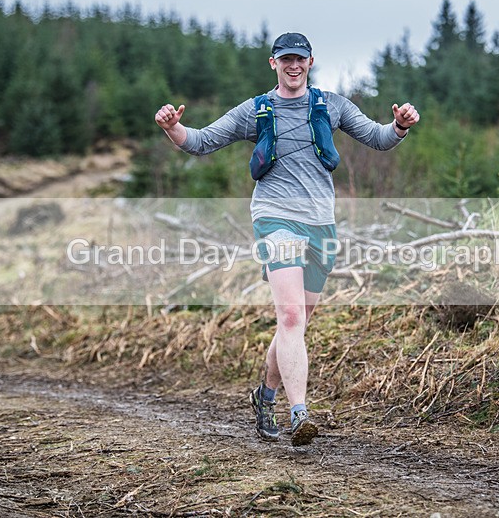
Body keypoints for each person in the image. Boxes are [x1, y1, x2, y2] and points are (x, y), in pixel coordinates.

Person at [155, 32, 419, 446]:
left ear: (310, 62)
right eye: (285, 59)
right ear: (273, 63)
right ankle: (300, 415)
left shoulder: (332, 105)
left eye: (300, 59)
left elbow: (377, 138)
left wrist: (400, 126)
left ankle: (266, 396)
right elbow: (202, 141)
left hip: (321, 224)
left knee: (293, 326)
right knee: (292, 316)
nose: (293, 65)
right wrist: (174, 128)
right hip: (275, 218)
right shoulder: (257, 109)